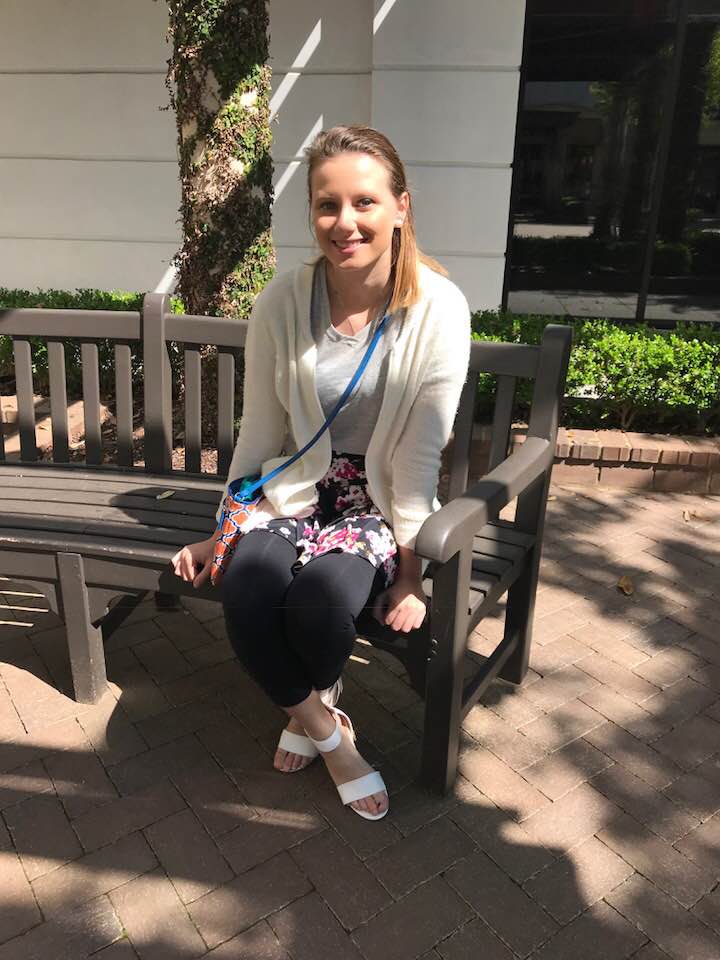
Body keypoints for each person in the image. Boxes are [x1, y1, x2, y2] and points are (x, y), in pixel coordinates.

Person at [171, 125, 471, 820]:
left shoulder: (439, 309)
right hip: (296, 485)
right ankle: (330, 732)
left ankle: (310, 703)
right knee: (247, 583)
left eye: (364, 202)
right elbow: (259, 433)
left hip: (376, 498)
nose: (345, 223)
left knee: (321, 600)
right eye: (326, 204)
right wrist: (222, 532)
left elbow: (420, 453)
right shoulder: (282, 300)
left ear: (400, 207)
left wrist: (410, 575)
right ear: (311, 211)